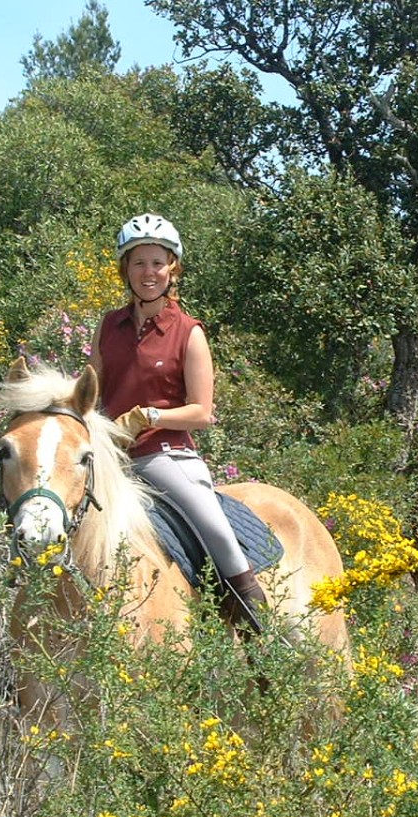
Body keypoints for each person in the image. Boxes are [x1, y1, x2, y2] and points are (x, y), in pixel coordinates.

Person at [90, 213, 266, 634]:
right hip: (110, 456)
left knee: (218, 534)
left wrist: (150, 416)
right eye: (138, 263)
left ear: (173, 269)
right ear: (125, 270)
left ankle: (260, 633)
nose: (148, 273)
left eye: (157, 263)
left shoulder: (189, 332)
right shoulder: (108, 326)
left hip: (163, 456)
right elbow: (92, 389)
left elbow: (201, 412)